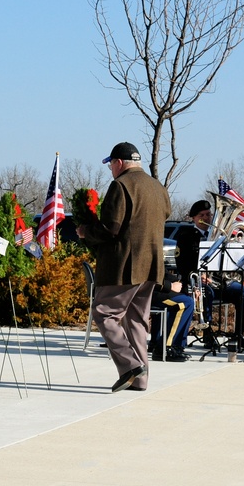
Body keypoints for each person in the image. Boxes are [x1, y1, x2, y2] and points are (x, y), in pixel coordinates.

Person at [77, 142, 171, 392]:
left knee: (104, 313)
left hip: (124, 267)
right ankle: (140, 380)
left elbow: (111, 228)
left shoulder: (121, 185)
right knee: (137, 321)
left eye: (111, 165)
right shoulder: (157, 187)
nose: (110, 170)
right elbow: (164, 216)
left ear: (119, 163)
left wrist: (86, 231)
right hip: (152, 266)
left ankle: (130, 366)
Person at [174, 199, 244, 350]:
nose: (206, 217)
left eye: (208, 214)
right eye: (202, 215)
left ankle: (239, 334)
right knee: (207, 293)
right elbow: (182, 265)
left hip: (220, 282)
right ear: (193, 218)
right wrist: (198, 276)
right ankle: (207, 332)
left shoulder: (220, 235)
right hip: (199, 283)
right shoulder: (186, 236)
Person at [149, 272, 194, 362]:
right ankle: (167, 348)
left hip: (156, 289)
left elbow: (162, 271)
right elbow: (145, 275)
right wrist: (169, 285)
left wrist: (180, 282)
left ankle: (174, 346)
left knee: (188, 301)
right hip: (147, 292)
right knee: (185, 303)